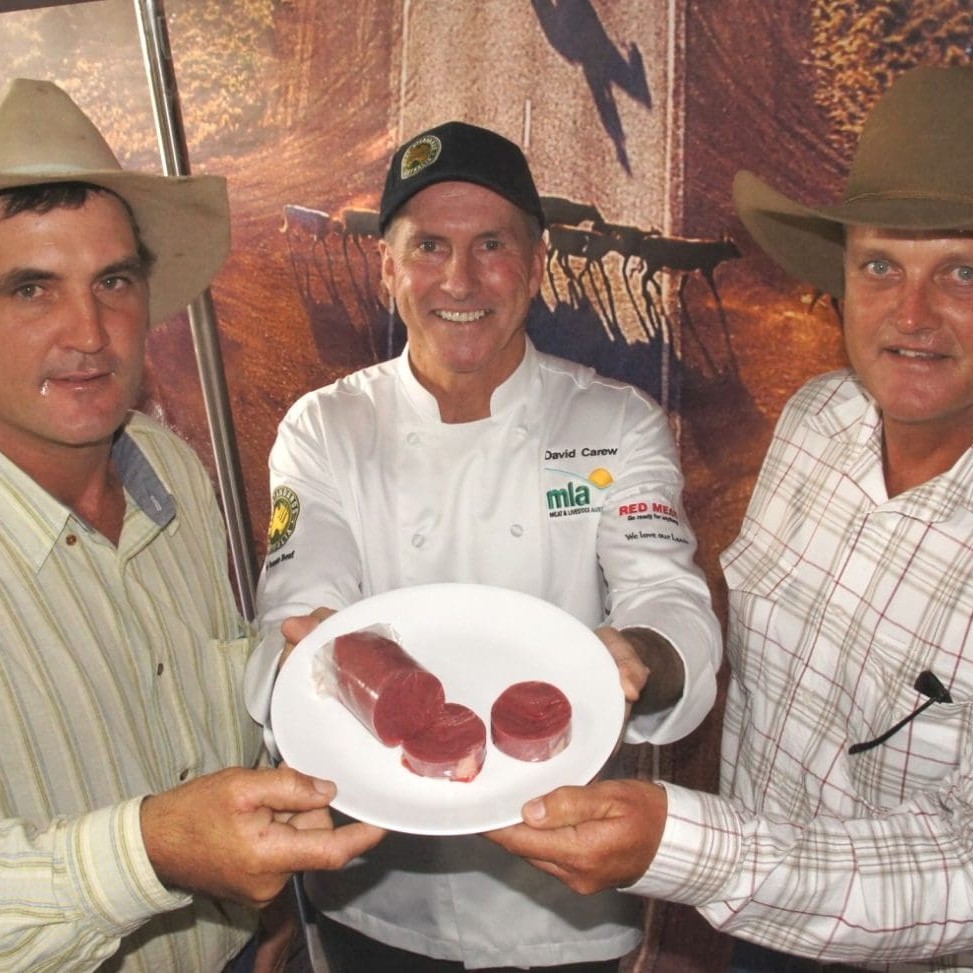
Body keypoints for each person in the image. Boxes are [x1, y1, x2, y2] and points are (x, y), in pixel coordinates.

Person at [487, 63, 973, 972]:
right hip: (749, 926)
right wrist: (642, 654)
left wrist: (685, 847)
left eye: (962, 270)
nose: (912, 314)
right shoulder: (816, 420)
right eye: (880, 265)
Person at [245, 120, 723, 971]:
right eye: (428, 245)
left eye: (491, 245)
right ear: (388, 266)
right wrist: (304, 652)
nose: (458, 279)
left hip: (562, 893)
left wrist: (640, 651)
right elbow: (295, 606)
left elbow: (668, 597)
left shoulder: (612, 423)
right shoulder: (326, 427)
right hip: (375, 888)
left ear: (535, 266)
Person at [0, 77, 384, 973]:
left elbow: (205, 712)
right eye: (30, 290)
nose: (89, 332)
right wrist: (150, 850)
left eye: (114, 281)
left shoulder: (171, 467)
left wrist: (272, 916)